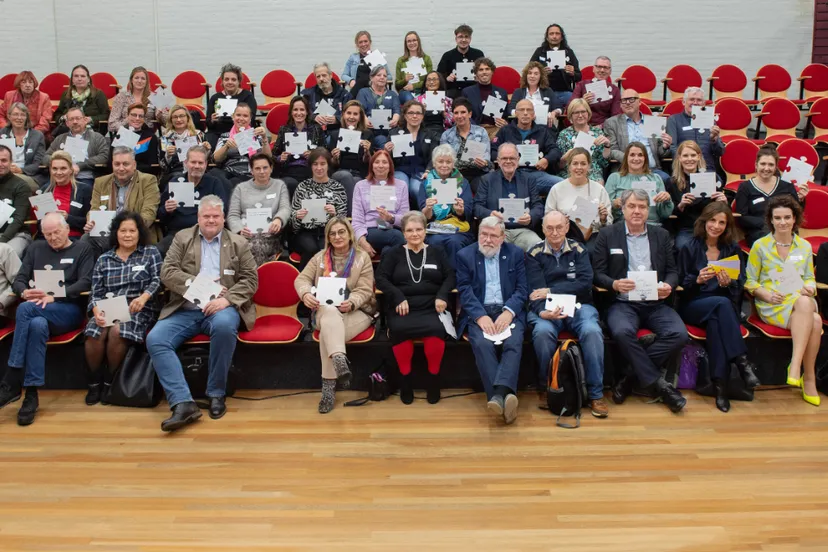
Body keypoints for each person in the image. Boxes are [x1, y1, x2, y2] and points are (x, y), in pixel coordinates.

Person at [146, 195, 258, 431]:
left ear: (223, 218)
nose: (211, 220)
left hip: (220, 309)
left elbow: (250, 280)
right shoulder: (182, 238)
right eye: (206, 216)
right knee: (156, 339)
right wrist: (199, 284)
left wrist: (226, 299)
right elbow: (167, 272)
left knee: (225, 326)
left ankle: (216, 392)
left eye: (215, 216)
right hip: (184, 309)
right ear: (198, 217)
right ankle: (182, 402)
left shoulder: (238, 243)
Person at [592, 189, 687, 413]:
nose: (637, 211)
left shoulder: (661, 235)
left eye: (642, 207)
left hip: (656, 303)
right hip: (622, 303)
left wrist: (669, 286)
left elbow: (673, 272)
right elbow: (597, 273)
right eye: (632, 206)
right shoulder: (608, 234)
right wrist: (614, 284)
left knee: (679, 334)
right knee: (622, 332)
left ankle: (629, 376)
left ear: (648, 210)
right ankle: (661, 386)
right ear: (622, 209)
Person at [0, 212, 94, 426]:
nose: (52, 238)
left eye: (56, 232)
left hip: (67, 309)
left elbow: (86, 282)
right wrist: (24, 292)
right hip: (36, 309)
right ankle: (31, 395)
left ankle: (12, 378)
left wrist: (55, 296)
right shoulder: (35, 248)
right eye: (47, 234)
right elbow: (20, 279)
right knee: (36, 324)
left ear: (67, 229)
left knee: (25, 310)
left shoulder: (82, 249)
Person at [525, 210, 608, 418]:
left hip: (579, 306)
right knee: (542, 332)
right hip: (546, 309)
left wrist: (552, 290)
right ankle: (547, 388)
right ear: (542, 229)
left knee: (591, 330)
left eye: (559, 227)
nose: (554, 233)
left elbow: (584, 284)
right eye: (549, 228)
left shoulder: (579, 250)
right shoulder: (533, 253)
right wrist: (542, 312)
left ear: (567, 227)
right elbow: (535, 292)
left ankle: (596, 393)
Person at [678, 202, 760, 412]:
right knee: (721, 305)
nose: (716, 226)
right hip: (694, 305)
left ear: (727, 225)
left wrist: (728, 283)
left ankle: (720, 387)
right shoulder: (689, 246)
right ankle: (742, 361)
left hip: (721, 308)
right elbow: (680, 287)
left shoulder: (732, 249)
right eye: (713, 220)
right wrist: (697, 280)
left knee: (717, 320)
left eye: (722, 222)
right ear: (704, 221)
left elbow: (739, 285)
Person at [295, 216, 376, 413]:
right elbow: (301, 279)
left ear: (349, 234)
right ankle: (339, 358)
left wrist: (353, 301)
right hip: (326, 311)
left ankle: (328, 389)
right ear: (328, 238)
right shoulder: (319, 257)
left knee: (327, 335)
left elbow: (365, 290)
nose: (337, 236)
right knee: (330, 311)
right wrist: (306, 293)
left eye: (341, 232)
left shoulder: (362, 257)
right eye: (332, 233)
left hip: (356, 312)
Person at [745, 195, 821, 406]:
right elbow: (750, 281)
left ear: (795, 219)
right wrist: (765, 294)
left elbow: (809, 278)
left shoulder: (804, 247)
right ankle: (808, 379)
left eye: (787, 217)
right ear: (771, 220)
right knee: (814, 320)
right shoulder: (760, 246)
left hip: (798, 299)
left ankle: (795, 365)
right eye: (777, 218)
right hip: (773, 304)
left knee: (806, 303)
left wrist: (810, 288)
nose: (783, 222)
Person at [84, 211, 163, 405]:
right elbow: (95, 292)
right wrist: (96, 310)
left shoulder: (150, 253)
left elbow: (159, 279)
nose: (127, 235)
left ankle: (112, 380)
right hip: (108, 307)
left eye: (132, 231)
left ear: (139, 233)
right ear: (116, 233)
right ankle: (95, 383)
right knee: (96, 330)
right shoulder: (104, 259)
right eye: (123, 231)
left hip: (139, 308)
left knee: (118, 330)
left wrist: (144, 297)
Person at [377, 211, 455, 404]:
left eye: (419, 229)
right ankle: (405, 382)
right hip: (403, 307)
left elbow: (451, 276)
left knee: (436, 330)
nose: (414, 234)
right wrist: (397, 297)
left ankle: (433, 381)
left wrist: (442, 296)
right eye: (410, 230)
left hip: (432, 307)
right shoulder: (394, 253)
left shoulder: (437, 252)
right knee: (400, 330)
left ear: (425, 231)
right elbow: (381, 279)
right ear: (403, 233)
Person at [455, 216, 528, 424]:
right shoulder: (465, 255)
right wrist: (480, 316)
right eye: (483, 235)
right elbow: (465, 290)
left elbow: (523, 289)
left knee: (514, 342)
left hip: (508, 311)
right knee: (481, 342)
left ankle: (497, 397)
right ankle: (506, 397)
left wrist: (509, 312)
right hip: (480, 311)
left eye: (493, 236)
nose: (487, 240)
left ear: (502, 237)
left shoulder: (515, 254)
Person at [85, 146, 160, 255]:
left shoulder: (148, 181)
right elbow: (94, 209)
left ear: (134, 165)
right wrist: (90, 222)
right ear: (112, 165)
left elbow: (149, 214)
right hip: (107, 233)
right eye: (117, 164)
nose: (121, 168)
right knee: (86, 240)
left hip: (135, 233)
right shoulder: (100, 182)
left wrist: (125, 232)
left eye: (125, 164)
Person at [158, 146, 228, 256]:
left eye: (200, 163)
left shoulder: (214, 183)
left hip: (207, 232)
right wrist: (167, 210)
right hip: (178, 233)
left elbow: (223, 210)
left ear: (206, 164)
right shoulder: (175, 182)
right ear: (186, 163)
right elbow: (161, 215)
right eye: (193, 162)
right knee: (159, 250)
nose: (196, 166)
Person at [474, 143, 543, 252]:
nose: (508, 161)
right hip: (496, 230)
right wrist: (491, 214)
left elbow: (538, 206)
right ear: (498, 160)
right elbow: (477, 207)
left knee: (537, 245)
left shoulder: (528, 179)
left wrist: (530, 217)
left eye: (512, 158)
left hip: (523, 230)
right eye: (504, 158)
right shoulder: (487, 180)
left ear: (518, 159)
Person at [735, 146, 808, 247]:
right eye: (763, 164)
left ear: (775, 167)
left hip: (785, 230)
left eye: (771, 165)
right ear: (756, 165)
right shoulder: (745, 187)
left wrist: (801, 199)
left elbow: (796, 212)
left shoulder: (786, 185)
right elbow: (741, 217)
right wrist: (768, 223)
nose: (766, 168)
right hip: (759, 232)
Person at [289, 148, 349, 268]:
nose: (319, 168)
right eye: (315, 164)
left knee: (324, 248)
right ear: (310, 166)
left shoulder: (338, 188)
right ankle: (304, 283)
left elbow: (343, 220)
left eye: (323, 164)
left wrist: (335, 214)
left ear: (328, 165)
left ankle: (325, 282)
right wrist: (297, 216)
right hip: (304, 232)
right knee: (311, 248)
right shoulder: (302, 187)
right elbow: (292, 223)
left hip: (329, 232)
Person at [227, 153, 290, 266]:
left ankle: (255, 280)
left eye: (265, 167)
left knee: (256, 246)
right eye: (257, 168)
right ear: (251, 171)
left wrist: (278, 219)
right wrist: (240, 229)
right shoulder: (240, 188)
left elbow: (285, 208)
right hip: (246, 234)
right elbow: (233, 215)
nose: (262, 171)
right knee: (248, 246)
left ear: (271, 168)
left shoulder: (279, 185)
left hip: (270, 234)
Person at [545, 148, 612, 251]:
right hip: (564, 235)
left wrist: (603, 219)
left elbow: (608, 224)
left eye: (583, 164)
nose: (579, 167)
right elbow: (547, 217)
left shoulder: (599, 190)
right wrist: (561, 221)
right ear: (569, 166)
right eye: (575, 163)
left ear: (589, 166)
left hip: (592, 235)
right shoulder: (557, 189)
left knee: (593, 250)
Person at [491, 99, 562, 195]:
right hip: (510, 173)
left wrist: (546, 160)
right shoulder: (505, 131)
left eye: (529, 110)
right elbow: (492, 151)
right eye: (521, 110)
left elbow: (555, 150)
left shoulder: (542, 131)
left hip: (536, 175)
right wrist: (507, 159)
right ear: (516, 113)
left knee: (562, 185)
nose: (525, 113)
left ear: (533, 115)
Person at [420, 144, 475, 267]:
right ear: (434, 164)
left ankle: (456, 279)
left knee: (454, 241)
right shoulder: (425, 183)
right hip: (435, 228)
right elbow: (425, 217)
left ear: (453, 164)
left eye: (448, 162)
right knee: (435, 241)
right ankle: (437, 279)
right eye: (440, 161)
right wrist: (428, 208)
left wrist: (460, 210)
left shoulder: (463, 182)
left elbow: (469, 211)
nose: (444, 165)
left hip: (459, 229)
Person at [668, 140, 726, 251]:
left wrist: (723, 202)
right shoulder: (672, 183)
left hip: (710, 226)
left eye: (693, 155)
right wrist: (681, 205)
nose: (689, 159)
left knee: (725, 246)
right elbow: (670, 212)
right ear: (679, 158)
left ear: (699, 156)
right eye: (685, 155)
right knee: (682, 246)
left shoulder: (713, 178)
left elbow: (720, 209)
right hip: (687, 227)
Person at [603, 89, 672, 182]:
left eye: (631, 99)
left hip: (652, 170)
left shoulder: (653, 121)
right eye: (624, 100)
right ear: (620, 104)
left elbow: (661, 153)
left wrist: (665, 146)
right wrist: (633, 160)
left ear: (639, 102)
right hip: (625, 171)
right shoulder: (612, 123)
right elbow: (612, 150)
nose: (627, 103)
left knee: (667, 180)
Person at [352, 150, 409, 257]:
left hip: (393, 227)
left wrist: (391, 218)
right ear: (372, 165)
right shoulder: (360, 186)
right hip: (369, 230)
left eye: (384, 162)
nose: (381, 166)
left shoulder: (401, 185)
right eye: (377, 162)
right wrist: (362, 241)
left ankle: (381, 273)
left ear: (390, 166)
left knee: (388, 251)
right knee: (398, 238)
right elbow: (357, 219)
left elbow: (405, 219)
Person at [605, 142, 673, 226]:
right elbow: (606, 211)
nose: (636, 158)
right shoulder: (615, 178)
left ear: (645, 158)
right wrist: (614, 204)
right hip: (623, 226)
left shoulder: (656, 178)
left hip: (652, 226)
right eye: (632, 155)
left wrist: (666, 200)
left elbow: (665, 214)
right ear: (626, 158)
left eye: (640, 155)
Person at [387, 100, 441, 204]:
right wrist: (387, 151)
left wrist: (428, 171)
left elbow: (434, 157)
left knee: (416, 189)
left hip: (421, 172)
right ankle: (400, 218)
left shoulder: (431, 134)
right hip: (400, 170)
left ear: (422, 116)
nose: (415, 116)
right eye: (411, 113)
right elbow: (387, 159)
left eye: (418, 113)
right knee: (402, 187)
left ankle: (425, 216)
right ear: (405, 116)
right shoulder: (394, 133)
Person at [271, 96, 325, 196]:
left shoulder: (316, 129)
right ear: (291, 112)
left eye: (302, 110)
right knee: (289, 183)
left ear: (307, 112)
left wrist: (314, 155)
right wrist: (280, 158)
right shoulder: (284, 129)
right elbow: (273, 155)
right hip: (289, 170)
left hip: (311, 169)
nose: (299, 113)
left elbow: (325, 152)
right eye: (295, 110)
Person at [46, 106, 111, 186]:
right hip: (61, 178)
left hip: (85, 178)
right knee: (43, 193)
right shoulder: (60, 138)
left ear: (85, 120)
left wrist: (81, 165)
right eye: (71, 119)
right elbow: (46, 157)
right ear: (67, 123)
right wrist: (63, 164)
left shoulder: (96, 137)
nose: (75, 122)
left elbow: (104, 156)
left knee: (79, 193)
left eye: (78, 118)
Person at [328, 100, 374, 211]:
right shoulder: (335, 134)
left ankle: (350, 215)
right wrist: (334, 157)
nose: (351, 117)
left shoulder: (367, 134)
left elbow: (369, 162)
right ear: (343, 115)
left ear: (360, 117)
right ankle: (352, 215)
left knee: (358, 182)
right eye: (349, 113)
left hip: (359, 173)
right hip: (340, 172)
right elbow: (332, 164)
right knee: (346, 176)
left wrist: (367, 152)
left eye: (355, 114)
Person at [440, 97, 492, 192]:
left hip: (478, 173)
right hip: (455, 174)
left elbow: (487, 159)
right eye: (456, 113)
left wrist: (484, 163)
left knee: (482, 188)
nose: (459, 116)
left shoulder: (481, 132)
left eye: (463, 112)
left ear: (470, 114)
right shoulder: (446, 135)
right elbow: (445, 160)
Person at [666, 87, 724, 169]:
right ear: (683, 102)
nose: (695, 103)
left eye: (699, 100)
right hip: (684, 168)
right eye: (692, 99)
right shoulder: (674, 120)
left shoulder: (710, 120)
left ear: (703, 103)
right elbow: (672, 148)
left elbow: (720, 152)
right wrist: (688, 163)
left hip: (707, 168)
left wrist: (714, 139)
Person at [213, 103, 270, 186]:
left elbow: (268, 157)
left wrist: (264, 138)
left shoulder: (257, 136)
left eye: (245, 116)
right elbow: (216, 159)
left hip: (249, 172)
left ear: (250, 119)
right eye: (238, 115)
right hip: (228, 171)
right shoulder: (225, 136)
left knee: (234, 181)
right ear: (233, 117)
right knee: (214, 173)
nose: (241, 118)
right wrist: (226, 146)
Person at [556, 99, 610, 183]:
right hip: (570, 171)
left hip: (592, 172)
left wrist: (607, 146)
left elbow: (603, 163)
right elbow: (559, 166)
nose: (580, 115)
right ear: (570, 116)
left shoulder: (597, 132)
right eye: (576, 112)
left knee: (598, 183)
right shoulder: (564, 134)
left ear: (588, 113)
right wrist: (565, 157)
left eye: (583, 112)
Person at [43, 150, 93, 239]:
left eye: (63, 168)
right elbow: (39, 224)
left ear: (71, 170)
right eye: (54, 168)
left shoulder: (85, 190)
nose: (58, 172)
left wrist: (68, 218)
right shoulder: (44, 190)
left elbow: (89, 222)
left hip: (74, 238)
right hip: (49, 238)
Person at [528, 24, 581, 105]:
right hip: (543, 91)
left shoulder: (569, 52)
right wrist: (541, 73)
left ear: (562, 37)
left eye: (557, 33)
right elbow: (528, 73)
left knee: (576, 104)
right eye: (551, 34)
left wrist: (573, 73)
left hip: (565, 92)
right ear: (547, 37)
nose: (554, 36)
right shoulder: (539, 52)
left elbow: (579, 76)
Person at [205, 63, 257, 143]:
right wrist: (212, 120)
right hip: (217, 133)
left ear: (239, 81)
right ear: (222, 81)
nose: (230, 82)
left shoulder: (247, 96)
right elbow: (208, 122)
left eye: (233, 79)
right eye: (226, 79)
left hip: (240, 132)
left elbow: (251, 120)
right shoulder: (215, 98)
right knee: (209, 142)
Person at [0, 102, 46, 192]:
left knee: (12, 181)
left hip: (28, 175)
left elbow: (38, 163)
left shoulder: (37, 136)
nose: (19, 118)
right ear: (9, 116)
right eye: (15, 114)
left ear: (26, 118)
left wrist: (21, 170)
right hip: (3, 172)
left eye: (22, 115)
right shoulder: (2, 133)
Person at [53, 65, 110, 136]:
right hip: (68, 129)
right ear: (72, 80)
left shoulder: (98, 94)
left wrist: (91, 119)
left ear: (88, 79)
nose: (79, 79)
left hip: (91, 129)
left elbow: (106, 115)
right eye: (76, 76)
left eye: (82, 76)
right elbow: (57, 115)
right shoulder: (66, 94)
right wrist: (63, 117)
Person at [0, 145, 34, 258]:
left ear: (11, 162)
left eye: (4, 160)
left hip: (17, 234)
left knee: (4, 254)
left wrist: (2, 241)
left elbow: (18, 219)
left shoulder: (21, 186)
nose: (0, 164)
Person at [461, 58, 508, 137]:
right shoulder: (467, 92)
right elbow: (465, 114)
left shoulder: (502, 92)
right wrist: (477, 130)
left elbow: (506, 116)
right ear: (476, 73)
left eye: (487, 69)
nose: (484, 72)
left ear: (492, 71)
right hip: (475, 131)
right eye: (481, 70)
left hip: (496, 131)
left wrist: (505, 122)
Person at [159, 104, 210, 179]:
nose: (178, 120)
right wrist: (168, 156)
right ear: (171, 120)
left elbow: (209, 161)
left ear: (188, 118)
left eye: (182, 116)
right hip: (175, 173)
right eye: (175, 117)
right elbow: (163, 167)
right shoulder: (165, 139)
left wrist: (207, 150)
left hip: (198, 170)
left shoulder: (199, 135)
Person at [504, 62, 562, 126]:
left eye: (536, 74)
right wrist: (522, 114)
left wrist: (554, 112)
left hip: (544, 128)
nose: (532, 76)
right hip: (523, 127)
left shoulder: (548, 91)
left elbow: (559, 108)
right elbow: (510, 110)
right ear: (526, 76)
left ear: (541, 76)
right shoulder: (518, 92)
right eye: (530, 73)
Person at [356, 65, 401, 147]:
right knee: (381, 140)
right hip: (369, 130)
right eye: (379, 75)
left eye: (385, 76)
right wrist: (365, 120)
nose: (382, 77)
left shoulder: (392, 94)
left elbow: (397, 110)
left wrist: (395, 119)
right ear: (371, 77)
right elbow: (360, 109)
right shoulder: (363, 92)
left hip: (389, 130)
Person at [0, 71, 53, 139]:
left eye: (30, 82)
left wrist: (31, 134)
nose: (28, 85)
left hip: (34, 132)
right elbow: (1, 115)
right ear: (19, 84)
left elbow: (45, 120)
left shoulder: (44, 97)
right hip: (11, 131)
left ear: (34, 84)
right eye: (24, 82)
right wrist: (6, 128)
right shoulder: (9, 95)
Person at [571, 56, 622, 126]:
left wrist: (602, 126)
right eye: (599, 67)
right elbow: (570, 107)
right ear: (593, 69)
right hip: (582, 125)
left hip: (604, 127)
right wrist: (582, 102)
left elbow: (616, 116)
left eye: (606, 68)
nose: (602, 70)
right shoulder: (581, 85)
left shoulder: (614, 90)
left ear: (610, 71)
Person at [301, 62, 352, 133]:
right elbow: (300, 113)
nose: (321, 79)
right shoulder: (308, 95)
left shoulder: (344, 94)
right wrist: (313, 117)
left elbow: (351, 115)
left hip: (337, 132)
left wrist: (337, 119)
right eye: (318, 76)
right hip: (314, 132)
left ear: (330, 75)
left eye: (324, 75)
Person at [437, 24, 485, 99]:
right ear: (456, 39)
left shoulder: (478, 54)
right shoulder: (447, 55)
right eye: (460, 37)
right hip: (453, 91)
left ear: (470, 39)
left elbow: (484, 71)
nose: (463, 40)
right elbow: (439, 75)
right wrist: (447, 78)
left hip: (473, 90)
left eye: (466, 37)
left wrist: (479, 77)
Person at [107, 66, 158, 133]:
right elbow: (111, 125)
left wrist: (159, 114)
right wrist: (128, 120)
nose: (139, 81)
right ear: (131, 80)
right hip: (125, 134)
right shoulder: (121, 97)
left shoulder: (154, 97)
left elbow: (167, 122)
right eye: (136, 78)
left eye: (143, 78)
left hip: (146, 134)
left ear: (146, 81)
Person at [114, 103, 160, 174]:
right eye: (134, 115)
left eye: (141, 116)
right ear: (127, 116)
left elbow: (152, 165)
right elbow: (111, 162)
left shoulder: (150, 137)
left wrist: (131, 168)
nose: (137, 118)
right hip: (120, 174)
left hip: (142, 176)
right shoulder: (120, 135)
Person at [342, 31, 389, 98]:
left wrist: (378, 79)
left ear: (370, 42)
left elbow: (389, 76)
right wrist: (350, 80)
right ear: (357, 45)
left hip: (375, 91)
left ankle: (348, 100)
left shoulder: (377, 57)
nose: (363, 44)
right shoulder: (353, 57)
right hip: (357, 90)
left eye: (365, 41)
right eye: (360, 42)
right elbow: (344, 75)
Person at [394, 31, 433, 103]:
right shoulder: (401, 61)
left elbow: (430, 81)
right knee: (409, 99)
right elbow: (397, 85)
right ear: (406, 44)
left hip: (422, 90)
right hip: (405, 92)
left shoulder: (426, 59)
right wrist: (405, 80)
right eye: (409, 41)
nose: (412, 43)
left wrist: (414, 86)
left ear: (418, 42)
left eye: (414, 40)